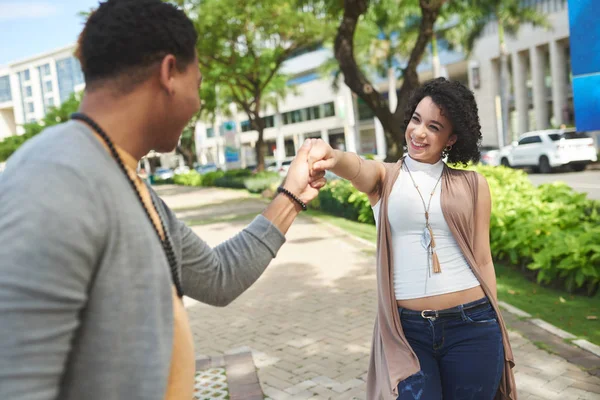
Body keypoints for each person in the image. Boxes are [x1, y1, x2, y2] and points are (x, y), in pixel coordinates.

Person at [0, 1, 327, 399]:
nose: (199, 102)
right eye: (199, 83)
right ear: (170, 72)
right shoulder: (54, 180)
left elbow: (218, 277)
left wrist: (292, 195)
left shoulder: (123, 176)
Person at [307, 78, 516, 400]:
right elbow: (357, 167)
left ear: (452, 137)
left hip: (473, 324)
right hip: (408, 332)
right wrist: (333, 156)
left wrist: (497, 320)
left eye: (434, 126)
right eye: (416, 119)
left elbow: (483, 258)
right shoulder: (385, 178)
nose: (419, 133)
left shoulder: (473, 185)